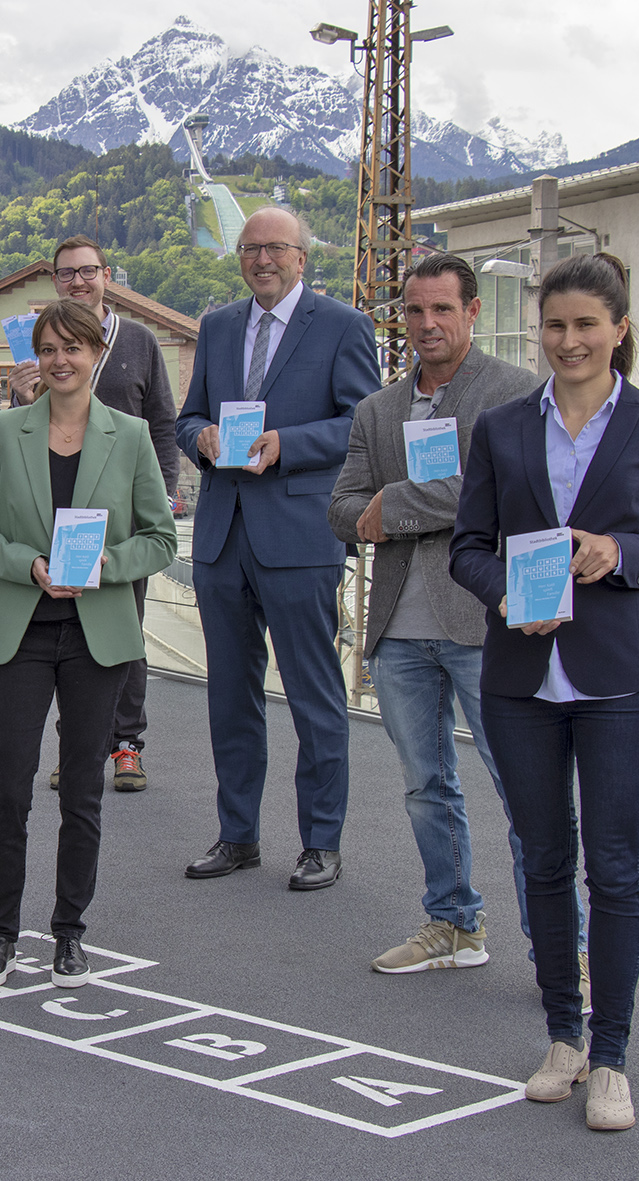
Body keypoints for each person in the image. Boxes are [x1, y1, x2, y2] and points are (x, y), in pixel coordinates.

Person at [449, 253, 639, 1131]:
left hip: (621, 680)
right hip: (520, 676)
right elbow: (469, 547)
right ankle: (563, 1038)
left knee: (616, 866)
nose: (569, 341)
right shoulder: (503, 428)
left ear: (619, 330)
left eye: (587, 325)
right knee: (545, 861)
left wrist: (620, 553)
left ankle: (614, 1056)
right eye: (555, 325)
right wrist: (505, 597)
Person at [328, 253, 589, 978]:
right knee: (425, 786)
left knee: (524, 788)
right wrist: (376, 511)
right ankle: (452, 923)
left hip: (487, 621)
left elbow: (505, 493)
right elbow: (342, 508)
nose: (428, 324)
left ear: (473, 311)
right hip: (399, 630)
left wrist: (398, 505)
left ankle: (566, 950)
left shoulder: (516, 394)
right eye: (415, 311)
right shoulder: (376, 410)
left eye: (443, 309)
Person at [0, 299, 177, 988]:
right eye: (48, 348)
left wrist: (107, 566)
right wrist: (30, 564)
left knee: (82, 790)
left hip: (97, 636)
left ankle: (69, 934)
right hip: (22, 629)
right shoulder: (3, 432)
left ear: (95, 355)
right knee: (9, 789)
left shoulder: (131, 435)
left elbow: (161, 538)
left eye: (72, 348)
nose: (59, 360)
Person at [174, 206, 380, 890]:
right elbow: (188, 416)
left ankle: (321, 841)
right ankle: (238, 835)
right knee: (230, 697)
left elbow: (362, 422)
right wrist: (200, 439)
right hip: (223, 536)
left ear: (302, 256)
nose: (262, 259)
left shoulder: (344, 326)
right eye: (251, 249)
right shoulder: (219, 326)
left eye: (275, 248)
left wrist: (289, 446)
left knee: (315, 696)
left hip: (299, 535)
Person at [7, 236, 180, 793]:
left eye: (87, 272)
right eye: (65, 274)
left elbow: (162, 426)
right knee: (59, 638)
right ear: (54, 281)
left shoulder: (139, 341)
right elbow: (25, 438)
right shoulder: (41, 345)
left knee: (121, 634)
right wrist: (18, 399)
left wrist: (163, 498)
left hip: (120, 520)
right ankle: (78, 746)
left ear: (107, 274)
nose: (77, 282)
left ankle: (126, 744)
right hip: (50, 519)